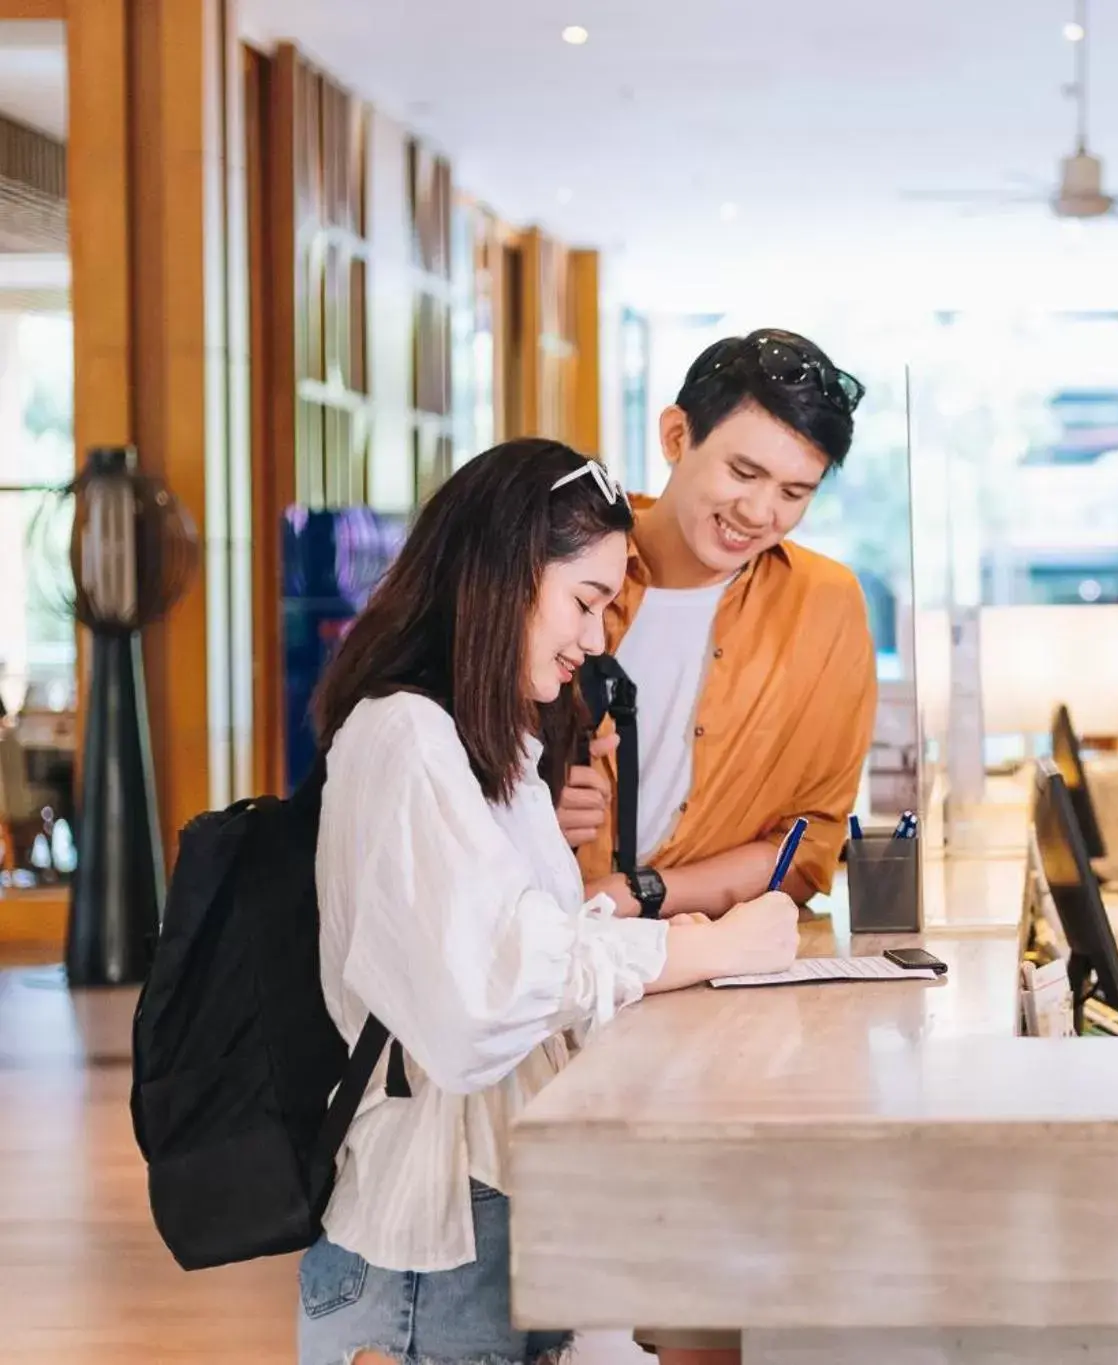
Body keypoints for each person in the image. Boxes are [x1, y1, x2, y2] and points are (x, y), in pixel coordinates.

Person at [298, 439, 801, 1365]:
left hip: (483, 1215)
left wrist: (646, 937)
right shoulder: (408, 736)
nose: (596, 638)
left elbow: (526, 942)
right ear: (501, 576)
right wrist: (705, 950)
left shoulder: (489, 743)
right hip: (426, 1244)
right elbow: (483, 996)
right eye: (585, 601)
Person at [558, 328, 875, 922]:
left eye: (793, 492)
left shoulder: (825, 605)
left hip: (711, 962)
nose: (758, 513)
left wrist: (634, 894)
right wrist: (526, 809)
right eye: (743, 472)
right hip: (540, 956)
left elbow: (806, 848)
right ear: (677, 436)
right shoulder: (558, 571)